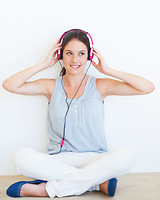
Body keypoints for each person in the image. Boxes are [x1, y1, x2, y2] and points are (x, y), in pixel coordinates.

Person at [2, 29, 155, 198]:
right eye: (69, 53)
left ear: (89, 56)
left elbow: (147, 87)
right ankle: (96, 183)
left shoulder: (100, 86)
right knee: (20, 157)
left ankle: (47, 190)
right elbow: (10, 85)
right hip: (59, 159)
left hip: (96, 159)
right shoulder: (50, 86)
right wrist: (44, 64)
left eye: (81, 53)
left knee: (127, 155)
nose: (75, 60)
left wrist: (108, 70)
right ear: (60, 55)